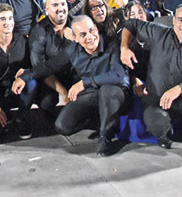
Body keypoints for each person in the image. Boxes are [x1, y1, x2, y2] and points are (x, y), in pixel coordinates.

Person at [120, 3, 182, 160]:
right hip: (157, 99)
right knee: (154, 121)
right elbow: (130, 24)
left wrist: (181, 88)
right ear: (173, 20)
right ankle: (165, 134)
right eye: (180, 20)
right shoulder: (158, 33)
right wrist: (124, 48)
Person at [55, 15, 129, 156]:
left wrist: (85, 82)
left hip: (116, 93)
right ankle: (102, 123)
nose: (90, 37)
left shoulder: (113, 44)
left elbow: (118, 76)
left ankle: (105, 138)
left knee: (107, 90)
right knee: (62, 126)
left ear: (96, 28)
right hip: (93, 94)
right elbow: (49, 66)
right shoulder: (73, 50)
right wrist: (25, 76)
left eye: (91, 30)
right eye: (83, 34)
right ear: (75, 38)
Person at [0, 4, 34, 139]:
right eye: (3, 19)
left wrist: (25, 74)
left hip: (19, 91)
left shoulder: (23, 41)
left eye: (10, 18)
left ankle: (21, 118)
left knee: (31, 81)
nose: (7, 22)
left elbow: (34, 68)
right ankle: (5, 114)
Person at [29, 0, 76, 119]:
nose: (60, 8)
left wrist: (75, 39)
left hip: (74, 75)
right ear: (46, 8)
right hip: (49, 78)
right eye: (55, 5)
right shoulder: (38, 31)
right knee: (47, 101)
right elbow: (39, 68)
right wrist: (64, 92)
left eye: (63, 4)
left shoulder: (77, 25)